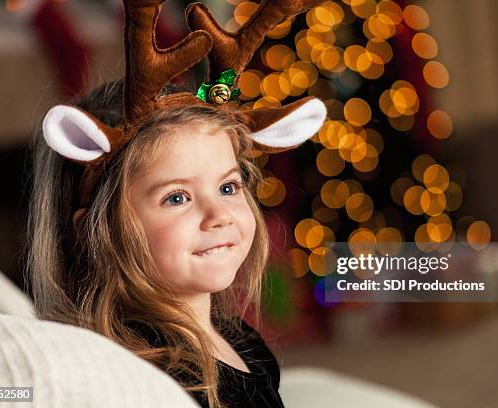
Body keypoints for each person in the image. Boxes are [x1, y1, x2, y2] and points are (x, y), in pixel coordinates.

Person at [25, 1, 326, 407]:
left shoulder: (239, 339)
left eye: (228, 187)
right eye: (177, 197)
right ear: (96, 230)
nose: (219, 216)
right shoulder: (146, 379)